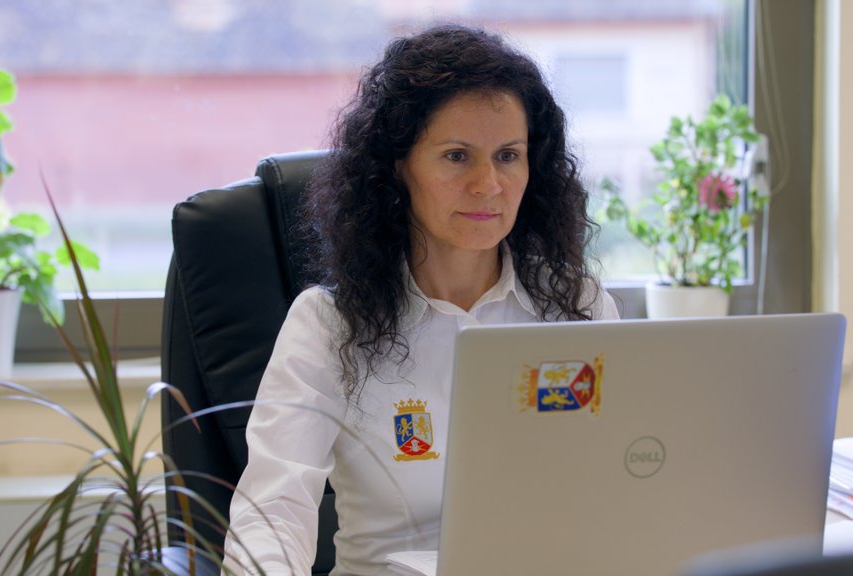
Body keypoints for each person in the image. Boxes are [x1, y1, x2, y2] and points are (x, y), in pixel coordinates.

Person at [222, 24, 619, 576]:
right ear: (397, 166)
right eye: (457, 156)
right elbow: (274, 510)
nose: (488, 184)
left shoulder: (576, 305)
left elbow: (624, 483)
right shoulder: (329, 324)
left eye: (508, 155)